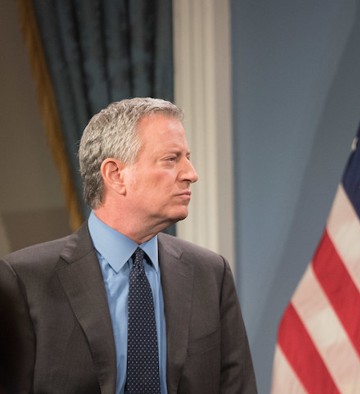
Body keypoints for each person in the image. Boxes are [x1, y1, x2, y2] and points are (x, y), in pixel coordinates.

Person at [0, 98, 256, 393]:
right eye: (171, 159)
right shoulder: (24, 279)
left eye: (187, 157)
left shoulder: (211, 273)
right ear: (115, 174)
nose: (191, 173)